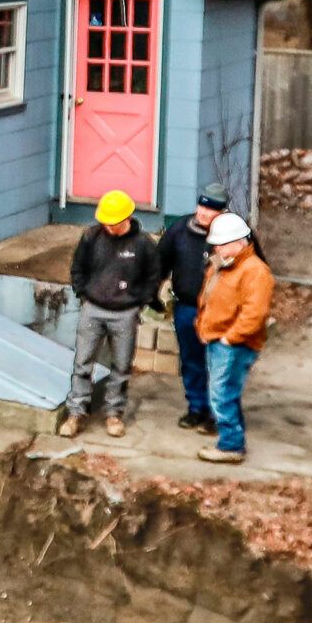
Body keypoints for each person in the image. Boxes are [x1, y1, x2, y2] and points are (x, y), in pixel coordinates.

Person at [62, 189, 163, 439]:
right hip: (93, 309)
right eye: (104, 222)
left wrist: (139, 300)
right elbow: (78, 267)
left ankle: (113, 414)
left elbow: (153, 276)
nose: (107, 226)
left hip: (125, 314)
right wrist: (82, 291)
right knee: (82, 362)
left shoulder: (143, 245)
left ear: (126, 218)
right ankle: (76, 412)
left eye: (112, 223)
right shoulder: (91, 237)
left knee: (121, 366)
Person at [195, 212, 274, 465]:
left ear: (239, 242)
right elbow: (208, 296)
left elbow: (255, 313)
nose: (216, 247)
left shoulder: (255, 271)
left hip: (234, 344)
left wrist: (231, 338)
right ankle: (232, 435)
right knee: (225, 391)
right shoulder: (223, 264)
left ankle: (231, 445)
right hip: (218, 339)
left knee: (221, 393)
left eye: (221, 243)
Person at [154, 185, 232, 433]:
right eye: (202, 206)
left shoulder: (236, 236)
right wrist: (151, 293)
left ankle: (218, 413)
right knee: (191, 361)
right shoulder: (180, 229)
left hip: (220, 311)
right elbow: (160, 262)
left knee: (219, 364)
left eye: (211, 209)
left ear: (222, 213)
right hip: (187, 308)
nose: (204, 213)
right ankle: (196, 408)